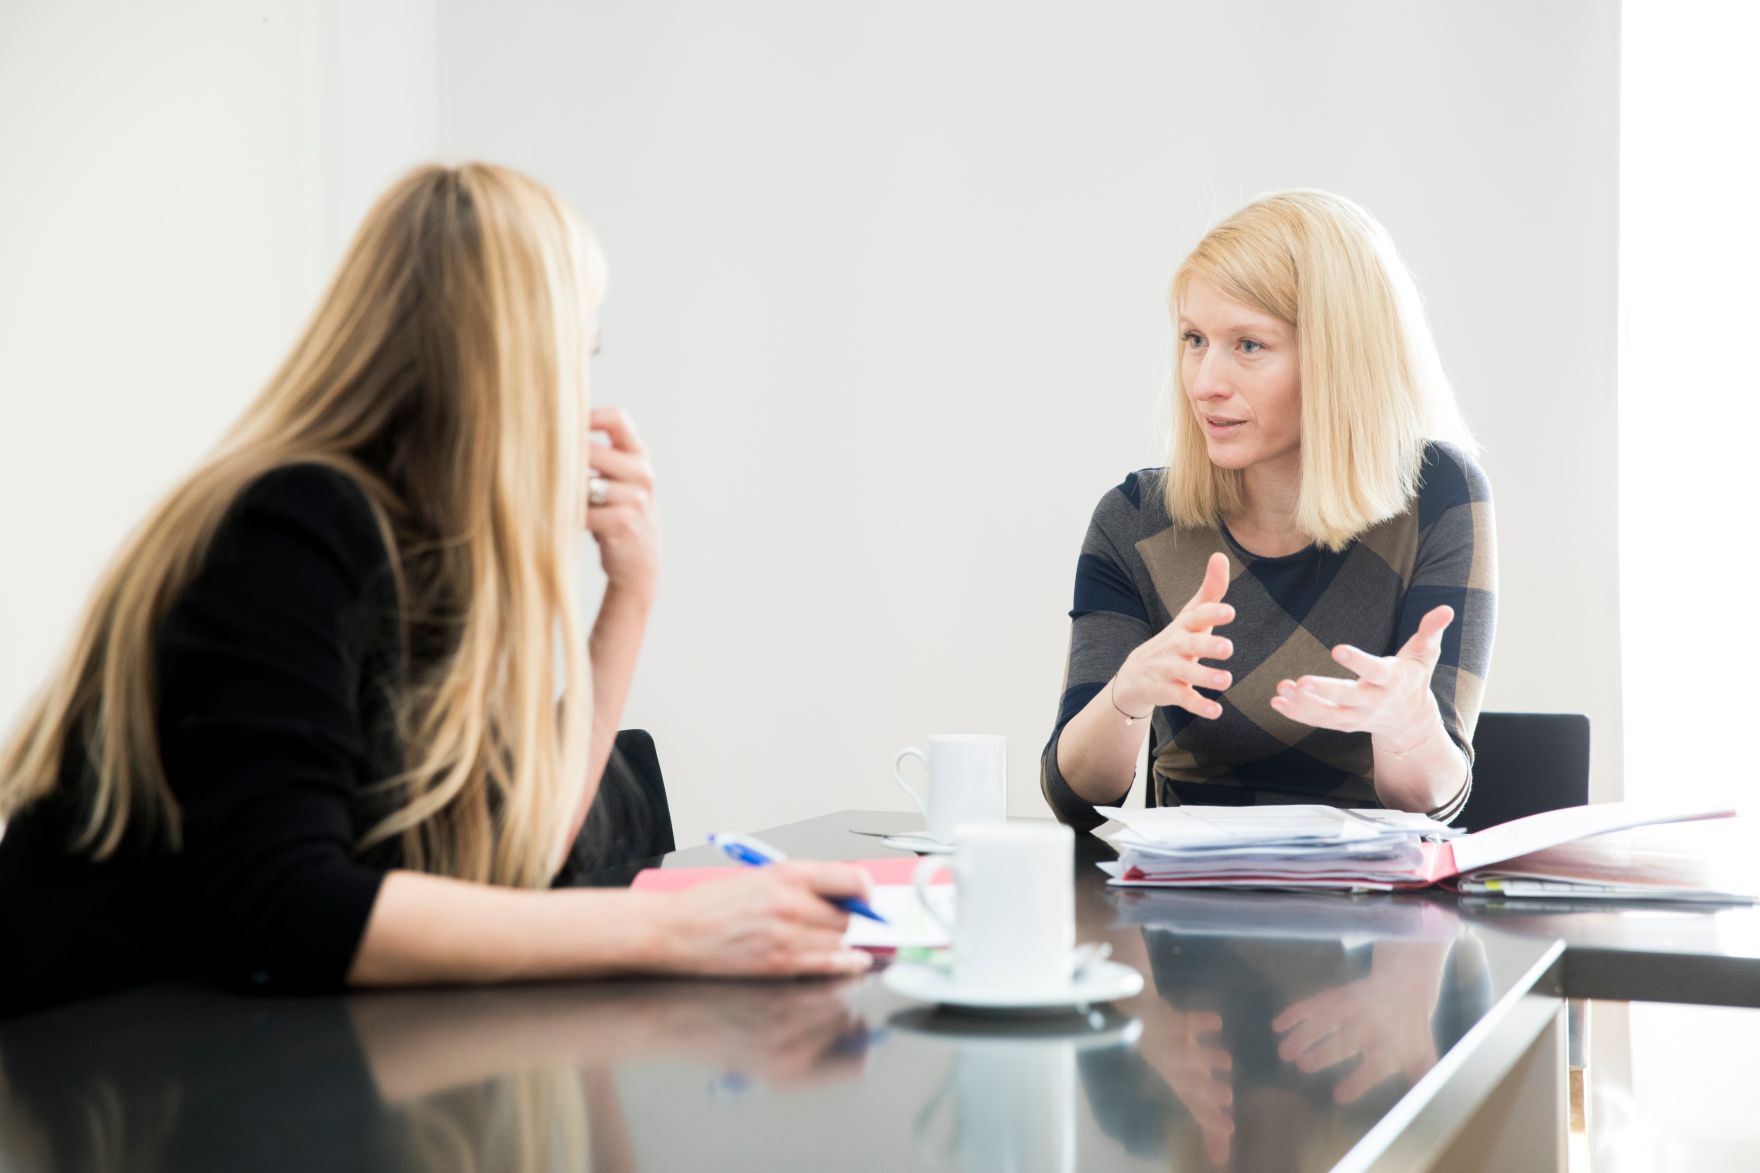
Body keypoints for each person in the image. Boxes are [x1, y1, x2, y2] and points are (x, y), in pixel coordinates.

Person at [0, 163, 872, 1019]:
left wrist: (631, 592)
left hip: (215, 1053)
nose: (582, 396)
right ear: (516, 366)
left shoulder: (426, 552)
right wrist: (676, 927)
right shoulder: (298, 523)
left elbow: (526, 854)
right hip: (86, 1065)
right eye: (577, 353)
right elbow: (283, 903)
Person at [1042, 190, 1495, 828]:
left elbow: (1428, 803)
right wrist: (1127, 695)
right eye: (1194, 339)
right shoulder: (1136, 520)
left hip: (1369, 884)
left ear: (1339, 359)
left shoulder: (1437, 494)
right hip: (1187, 885)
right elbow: (1077, 800)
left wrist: (1409, 728)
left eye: (1249, 345)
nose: (1204, 383)